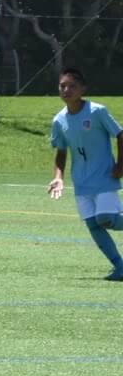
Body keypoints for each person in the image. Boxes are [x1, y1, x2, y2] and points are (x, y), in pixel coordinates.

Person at [46, 66, 123, 280]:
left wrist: (120, 166)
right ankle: (120, 267)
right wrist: (58, 177)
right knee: (93, 225)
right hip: (81, 182)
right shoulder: (59, 120)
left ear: (83, 89)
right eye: (62, 86)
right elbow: (61, 151)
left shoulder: (97, 111)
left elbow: (120, 134)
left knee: (106, 219)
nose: (66, 90)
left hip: (104, 176)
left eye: (72, 86)